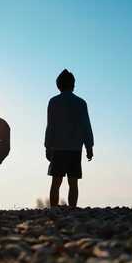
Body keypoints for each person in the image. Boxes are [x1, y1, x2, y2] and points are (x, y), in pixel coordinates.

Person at [45, 69, 94, 208]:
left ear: (58, 85)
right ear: (73, 84)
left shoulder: (53, 102)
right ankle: (72, 209)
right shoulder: (80, 103)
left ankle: (53, 209)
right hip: (75, 148)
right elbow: (86, 126)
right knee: (73, 182)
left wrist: (48, 146)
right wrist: (89, 146)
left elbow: (50, 126)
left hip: (58, 147)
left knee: (56, 181)